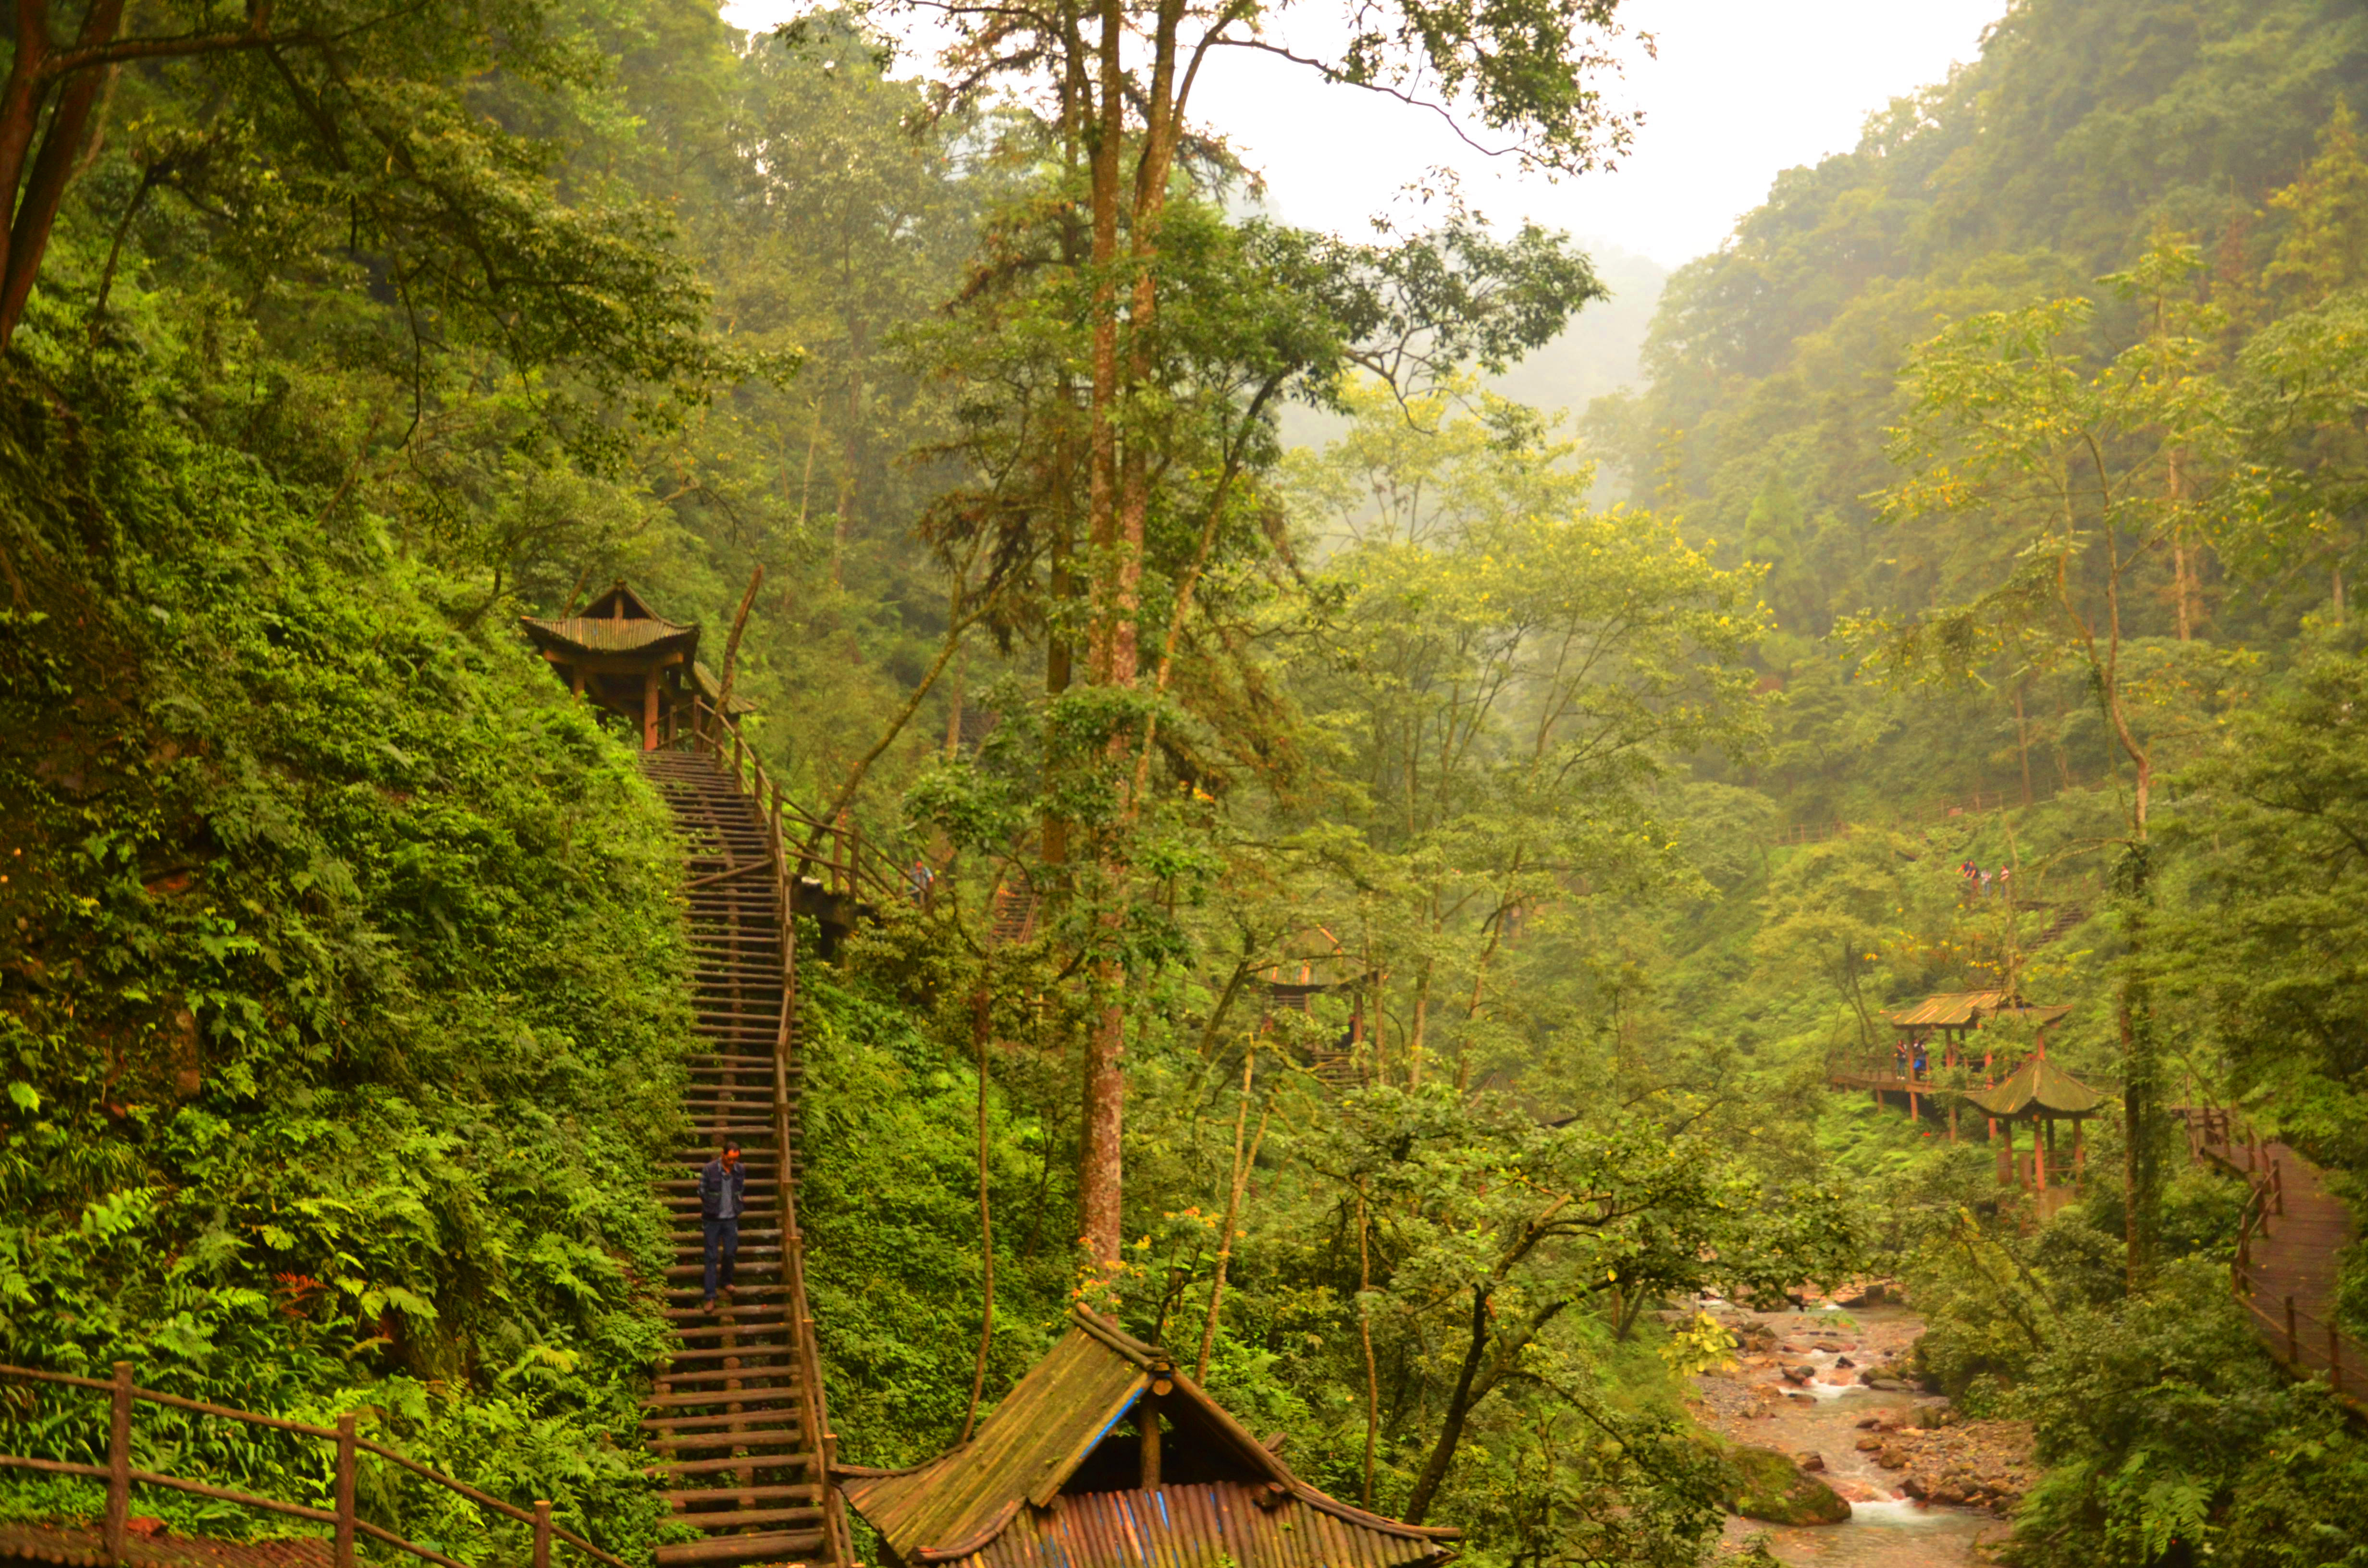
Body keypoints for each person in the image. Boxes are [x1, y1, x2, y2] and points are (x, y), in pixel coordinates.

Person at [699, 1141, 745, 1312]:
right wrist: (711, 1206)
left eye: (736, 1159)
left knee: (730, 1252)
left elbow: (741, 1189)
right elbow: (701, 1191)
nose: (733, 1162)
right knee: (711, 1256)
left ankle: (727, 1281)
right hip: (712, 1220)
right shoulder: (710, 1170)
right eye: (730, 1159)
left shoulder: (740, 1170)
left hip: (731, 1218)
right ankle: (710, 1296)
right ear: (723, 1154)